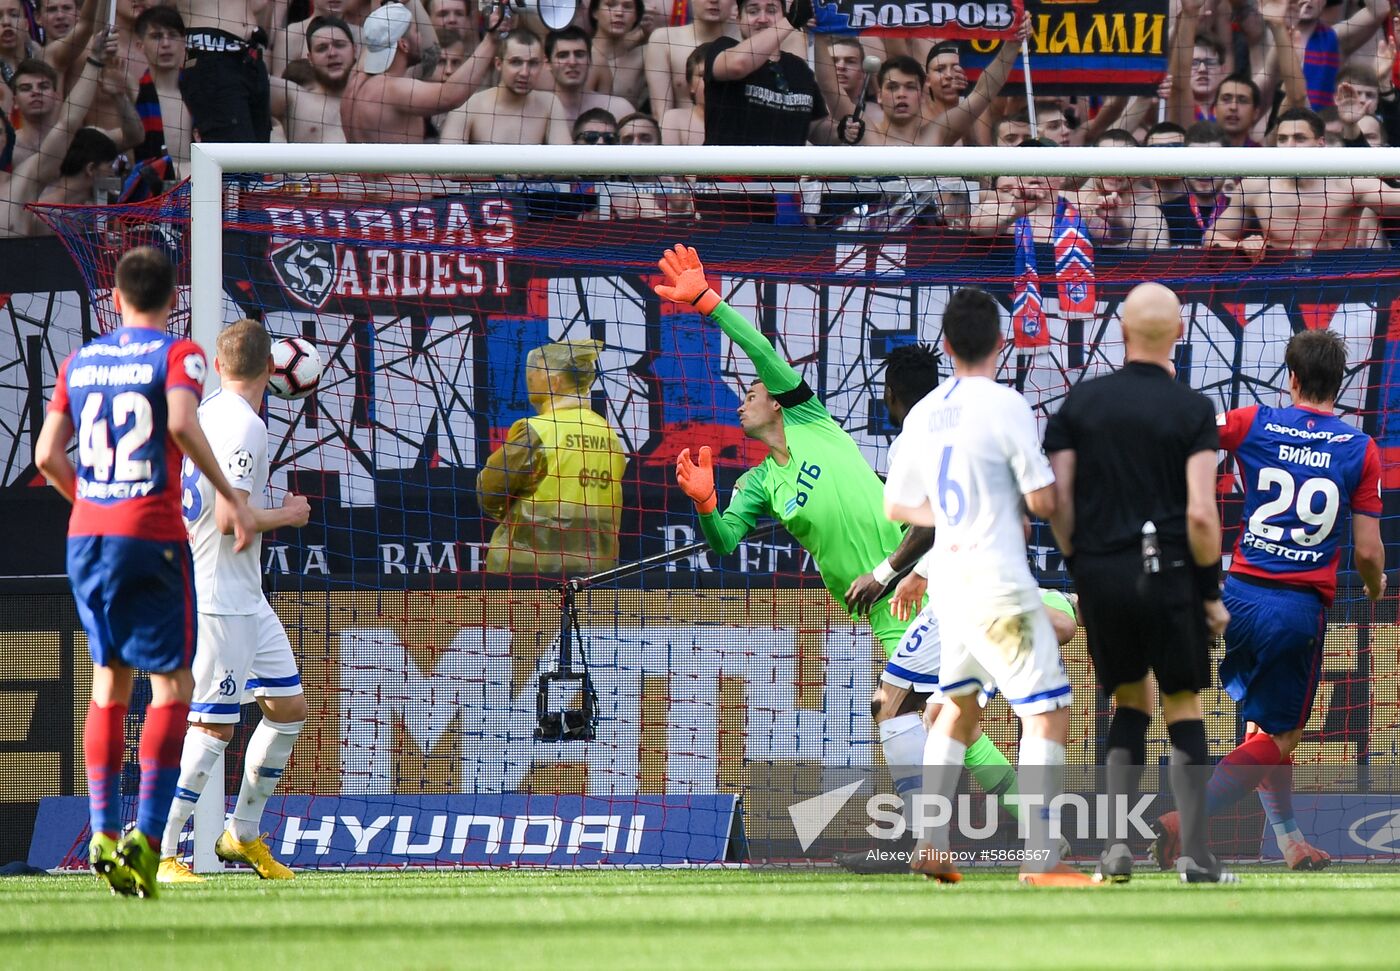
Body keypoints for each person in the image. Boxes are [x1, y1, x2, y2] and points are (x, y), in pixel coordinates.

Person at [654, 245, 1034, 870]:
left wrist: (710, 304)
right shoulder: (756, 484)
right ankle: (1013, 832)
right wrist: (703, 504)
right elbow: (723, 543)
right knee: (945, 720)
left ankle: (942, 839)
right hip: (885, 611)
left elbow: (762, 351)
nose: (743, 400)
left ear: (777, 401)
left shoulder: (810, 419)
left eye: (751, 392)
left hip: (922, 581)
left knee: (911, 711)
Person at [33, 246, 255, 898]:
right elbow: (183, 421)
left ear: (116, 299)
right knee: (173, 684)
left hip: (87, 537)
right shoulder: (178, 353)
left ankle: (102, 831)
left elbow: (48, 453)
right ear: (172, 299)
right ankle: (148, 840)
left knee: (109, 679)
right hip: (151, 532)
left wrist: (92, 502)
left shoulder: (81, 360)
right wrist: (230, 494)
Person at [1149, 330, 1385, 874]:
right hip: (1295, 609)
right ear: (1341, 384)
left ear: (1292, 378)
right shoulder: (1359, 449)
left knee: (1264, 729)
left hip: (1239, 598)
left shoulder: (1253, 420)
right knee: (1283, 734)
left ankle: (1290, 842)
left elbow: (1193, 438)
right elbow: (1368, 550)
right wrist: (1374, 586)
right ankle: (1189, 819)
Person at [881, 287, 1085, 887]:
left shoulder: (922, 414)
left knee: (951, 705)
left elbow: (898, 502)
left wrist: (951, 513)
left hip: (949, 584)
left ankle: (931, 843)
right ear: (1001, 343)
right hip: (997, 578)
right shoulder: (1007, 407)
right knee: (1047, 713)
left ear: (946, 347)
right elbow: (1042, 501)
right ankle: (1041, 861)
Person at [1042, 282, 1234, 884]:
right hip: (1171, 571)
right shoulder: (1193, 410)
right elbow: (1203, 513)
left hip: (1103, 574)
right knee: (1182, 703)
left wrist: (1085, 568)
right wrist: (1209, 593)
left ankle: (1115, 848)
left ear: (1121, 331)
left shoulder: (1080, 405)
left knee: (1128, 700)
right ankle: (1197, 855)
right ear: (1179, 333)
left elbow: (1059, 503)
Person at [157, 319, 313, 884]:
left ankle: (240, 834)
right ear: (274, 369)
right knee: (214, 727)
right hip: (219, 595)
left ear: (219, 367)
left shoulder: (209, 412)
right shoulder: (246, 426)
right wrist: (289, 516)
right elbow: (230, 520)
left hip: (247, 596)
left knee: (288, 708)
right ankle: (160, 848)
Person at [475, 340, 626, 575]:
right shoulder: (607, 433)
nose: (531, 378)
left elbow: (489, 489)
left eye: (538, 371)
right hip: (595, 570)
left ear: (554, 381)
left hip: (528, 571)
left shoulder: (539, 431)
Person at [1209, 108, 1400, 252]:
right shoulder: (1256, 187)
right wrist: (1240, 245)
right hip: (1277, 286)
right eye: (1282, 139)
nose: (1289, 146)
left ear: (1320, 143)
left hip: (1338, 286)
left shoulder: (1348, 184)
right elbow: (1211, 236)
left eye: (1299, 138)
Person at [342, 0, 491, 144]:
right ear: (403, 44)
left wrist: (394, 4)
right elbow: (448, 96)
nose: (421, 36)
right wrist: (492, 40)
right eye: (416, 31)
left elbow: (432, 53)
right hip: (394, 170)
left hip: (360, 168)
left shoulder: (355, 80)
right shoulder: (393, 89)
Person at [703, 0, 831, 147]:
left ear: (783, 15)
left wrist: (842, 131)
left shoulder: (799, 68)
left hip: (785, 168)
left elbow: (815, 130)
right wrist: (790, 22)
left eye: (771, 11)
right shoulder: (722, 47)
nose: (763, 19)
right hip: (729, 167)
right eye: (753, 11)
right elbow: (737, 65)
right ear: (739, 19)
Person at [440, 27, 569, 145]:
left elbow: (566, 164)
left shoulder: (549, 104)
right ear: (498, 64)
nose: (524, 72)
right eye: (516, 62)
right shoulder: (469, 106)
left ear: (543, 65)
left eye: (533, 63)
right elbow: (446, 165)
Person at [269, 14, 353, 143]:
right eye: (322, 48)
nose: (332, 53)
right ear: (310, 59)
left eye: (339, 45)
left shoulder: (373, 99)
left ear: (355, 50)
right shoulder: (294, 97)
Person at [643, 0, 733, 118]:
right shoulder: (664, 40)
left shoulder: (747, 41)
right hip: (681, 132)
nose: (714, 1)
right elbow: (661, 112)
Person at [129, 5, 191, 168]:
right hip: (151, 191)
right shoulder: (133, 93)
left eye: (172, 35)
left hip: (199, 188)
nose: (165, 43)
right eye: (157, 36)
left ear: (184, 42)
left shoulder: (201, 92)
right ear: (140, 46)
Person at [546, 26, 632, 130]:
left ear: (590, 61)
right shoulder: (537, 110)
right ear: (548, 64)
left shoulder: (619, 109)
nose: (572, 62)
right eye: (563, 55)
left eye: (579, 55)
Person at [660, 43, 706, 145]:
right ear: (690, 85)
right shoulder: (674, 119)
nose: (711, 81)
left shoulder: (741, 120)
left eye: (715, 75)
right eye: (702, 75)